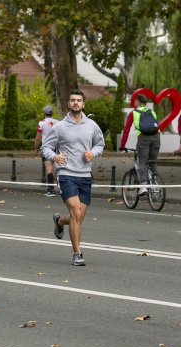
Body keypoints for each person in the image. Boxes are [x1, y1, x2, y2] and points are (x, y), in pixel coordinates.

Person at [41, 89, 105, 266]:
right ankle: (77, 254)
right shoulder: (59, 127)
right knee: (76, 212)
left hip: (85, 175)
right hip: (66, 174)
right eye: (72, 100)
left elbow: (100, 144)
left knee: (79, 216)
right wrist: (55, 157)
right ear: (68, 104)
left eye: (79, 100)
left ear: (83, 104)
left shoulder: (92, 125)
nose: (76, 103)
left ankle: (60, 221)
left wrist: (93, 153)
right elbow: (45, 148)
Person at [119, 95, 159, 196]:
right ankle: (156, 184)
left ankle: (143, 186)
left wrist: (122, 145)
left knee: (142, 162)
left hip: (143, 139)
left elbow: (126, 130)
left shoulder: (133, 113)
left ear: (137, 102)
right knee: (152, 162)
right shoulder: (152, 112)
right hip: (156, 138)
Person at [33, 105, 59, 197]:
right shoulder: (58, 122)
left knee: (49, 168)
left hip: (46, 148)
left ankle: (51, 190)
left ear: (44, 113)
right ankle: (61, 187)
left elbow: (38, 138)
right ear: (52, 113)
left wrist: (35, 148)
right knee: (59, 168)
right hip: (56, 148)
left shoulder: (42, 123)